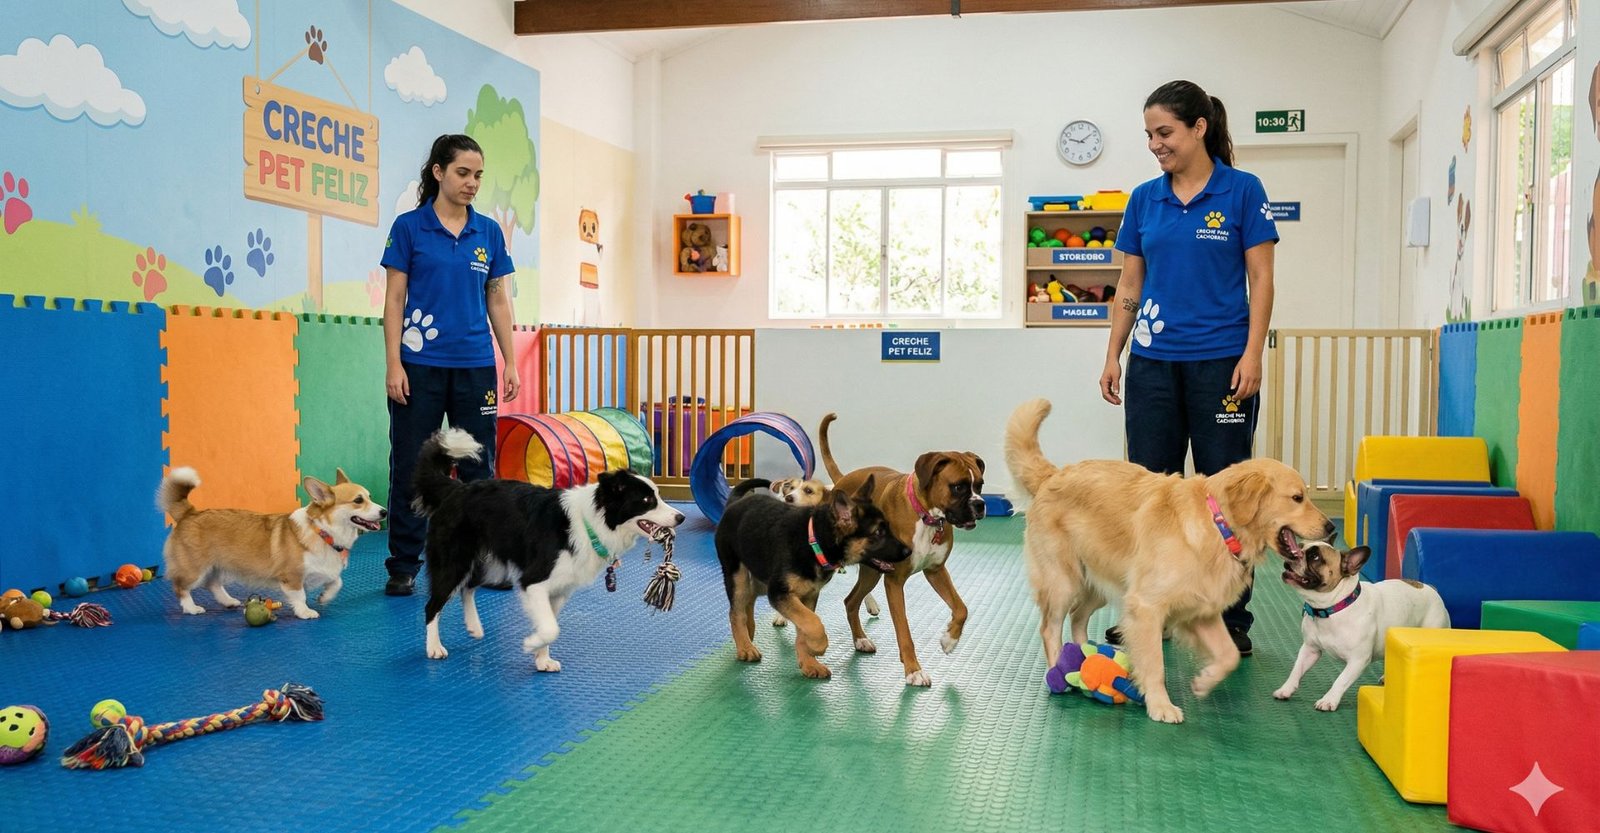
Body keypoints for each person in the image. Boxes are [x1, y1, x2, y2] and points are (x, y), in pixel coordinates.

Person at [1098, 80, 1278, 656]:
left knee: (1232, 493)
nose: (1155, 144)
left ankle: (1230, 618)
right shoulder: (1144, 199)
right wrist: (1113, 352)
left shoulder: (1243, 190)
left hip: (1222, 364)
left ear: (1199, 127)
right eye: (1149, 134)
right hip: (1153, 364)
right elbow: (1131, 282)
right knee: (1149, 495)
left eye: (1165, 132)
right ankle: (1146, 612)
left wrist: (1252, 353)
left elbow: (1262, 279)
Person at [381, 133, 520, 596]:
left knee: (480, 467)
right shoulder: (409, 228)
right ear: (439, 172)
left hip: (476, 366)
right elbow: (395, 299)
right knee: (411, 466)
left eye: (478, 175)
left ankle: (486, 561)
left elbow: (498, 300)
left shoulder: (489, 233)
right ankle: (403, 564)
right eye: (463, 173)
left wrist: (510, 362)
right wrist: (393, 365)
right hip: (419, 366)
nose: (472, 183)